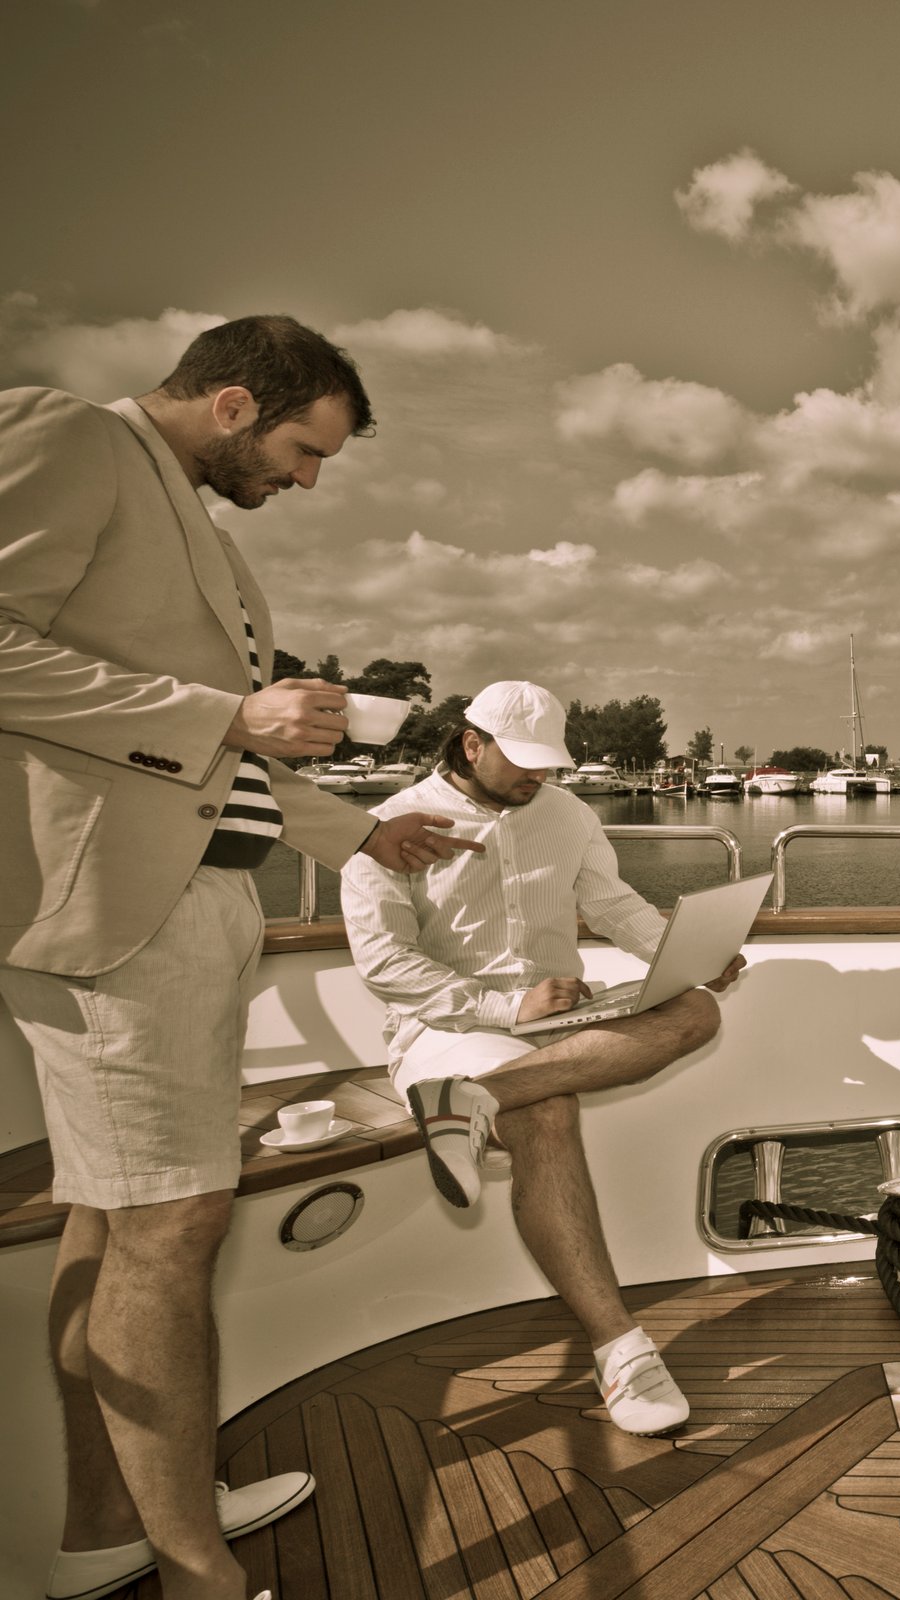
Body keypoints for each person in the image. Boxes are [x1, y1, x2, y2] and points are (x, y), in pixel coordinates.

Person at [0, 315, 484, 1600]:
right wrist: (225, 709)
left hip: (191, 903)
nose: (307, 480)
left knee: (116, 1220)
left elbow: (231, 767)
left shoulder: (192, 527)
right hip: (117, 913)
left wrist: (367, 832)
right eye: (301, 449)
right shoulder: (68, 440)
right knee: (170, 1227)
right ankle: (195, 1566)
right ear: (228, 405)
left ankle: (114, 1523)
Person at [341, 680, 742, 1437]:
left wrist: (685, 955)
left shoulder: (567, 812)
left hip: (559, 1016)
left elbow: (612, 905)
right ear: (471, 744)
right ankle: (620, 1348)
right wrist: (505, 1008)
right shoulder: (389, 827)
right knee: (549, 1107)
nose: (538, 777)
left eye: (547, 763)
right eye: (523, 762)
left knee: (696, 1009)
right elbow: (387, 965)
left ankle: (476, 1100)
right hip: (449, 1025)